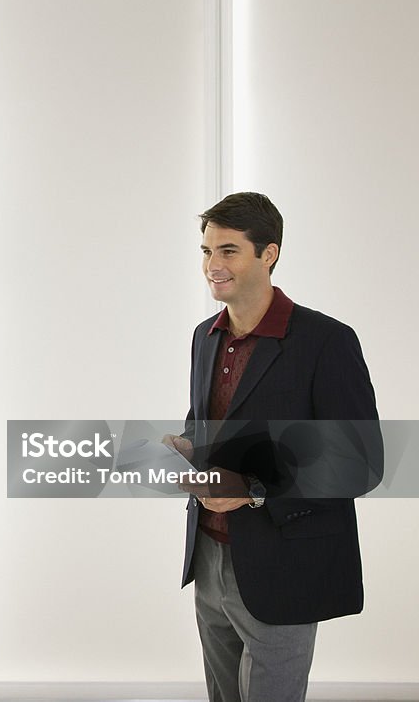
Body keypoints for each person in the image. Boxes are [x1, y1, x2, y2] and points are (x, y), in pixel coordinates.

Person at [162, 192, 381, 702]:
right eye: (206, 250)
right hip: (209, 558)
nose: (212, 265)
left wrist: (254, 490)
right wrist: (185, 447)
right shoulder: (205, 336)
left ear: (269, 254)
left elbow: (362, 463)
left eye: (229, 251)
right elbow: (207, 423)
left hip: (283, 564)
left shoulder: (326, 341)